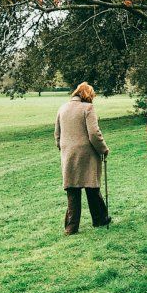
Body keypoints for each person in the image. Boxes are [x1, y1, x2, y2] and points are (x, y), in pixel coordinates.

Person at [55, 82, 111, 235]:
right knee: (92, 186)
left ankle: (71, 227)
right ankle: (100, 219)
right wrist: (103, 149)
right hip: (86, 154)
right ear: (87, 95)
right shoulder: (88, 108)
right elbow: (94, 133)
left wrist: (64, 148)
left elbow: (57, 134)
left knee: (72, 189)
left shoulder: (63, 108)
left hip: (68, 154)